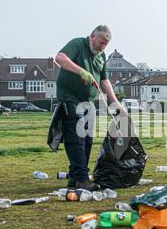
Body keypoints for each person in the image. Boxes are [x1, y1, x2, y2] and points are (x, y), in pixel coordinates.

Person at [53, 25, 127, 191]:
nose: (102, 47)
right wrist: (81, 72)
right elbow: (60, 58)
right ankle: (82, 179)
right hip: (70, 99)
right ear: (92, 37)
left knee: (87, 140)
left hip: (88, 102)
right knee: (76, 139)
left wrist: (115, 103)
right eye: (100, 43)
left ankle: (74, 176)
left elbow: (104, 81)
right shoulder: (77, 44)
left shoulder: (101, 56)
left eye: (105, 45)